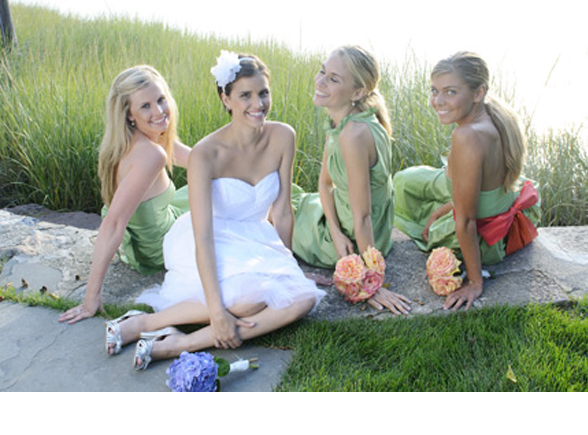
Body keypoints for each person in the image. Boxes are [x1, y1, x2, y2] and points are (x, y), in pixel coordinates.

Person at [105, 51, 325, 370]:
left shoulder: (283, 136)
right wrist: (217, 311)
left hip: (256, 239)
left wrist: (286, 265)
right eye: (245, 95)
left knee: (303, 298)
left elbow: (282, 211)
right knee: (248, 302)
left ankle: (181, 343)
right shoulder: (206, 153)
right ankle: (144, 324)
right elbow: (203, 237)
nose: (258, 104)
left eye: (263, 93)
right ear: (226, 99)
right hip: (210, 240)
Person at [393, 51, 541, 311]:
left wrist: (474, 281)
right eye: (434, 91)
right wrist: (442, 210)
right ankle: (430, 195)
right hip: (493, 206)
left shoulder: (467, 136)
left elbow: (466, 220)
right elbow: (480, 191)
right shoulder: (496, 115)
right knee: (408, 180)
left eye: (450, 92)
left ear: (478, 93)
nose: (438, 101)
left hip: (484, 234)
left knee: (400, 185)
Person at [58, 65, 192, 324]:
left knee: (214, 184)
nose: (159, 111)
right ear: (130, 114)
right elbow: (113, 223)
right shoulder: (151, 155)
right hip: (161, 245)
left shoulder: (130, 140)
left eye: (161, 99)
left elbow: (199, 160)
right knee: (224, 198)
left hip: (139, 240)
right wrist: (91, 297)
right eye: (146, 106)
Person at [291, 45, 411, 315]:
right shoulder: (341, 122)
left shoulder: (354, 135)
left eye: (334, 79)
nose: (320, 81)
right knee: (286, 195)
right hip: (341, 230)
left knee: (277, 207)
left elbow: (363, 217)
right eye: (322, 71)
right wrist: (335, 231)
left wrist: (372, 283)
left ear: (358, 92)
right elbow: (324, 184)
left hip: (355, 241)